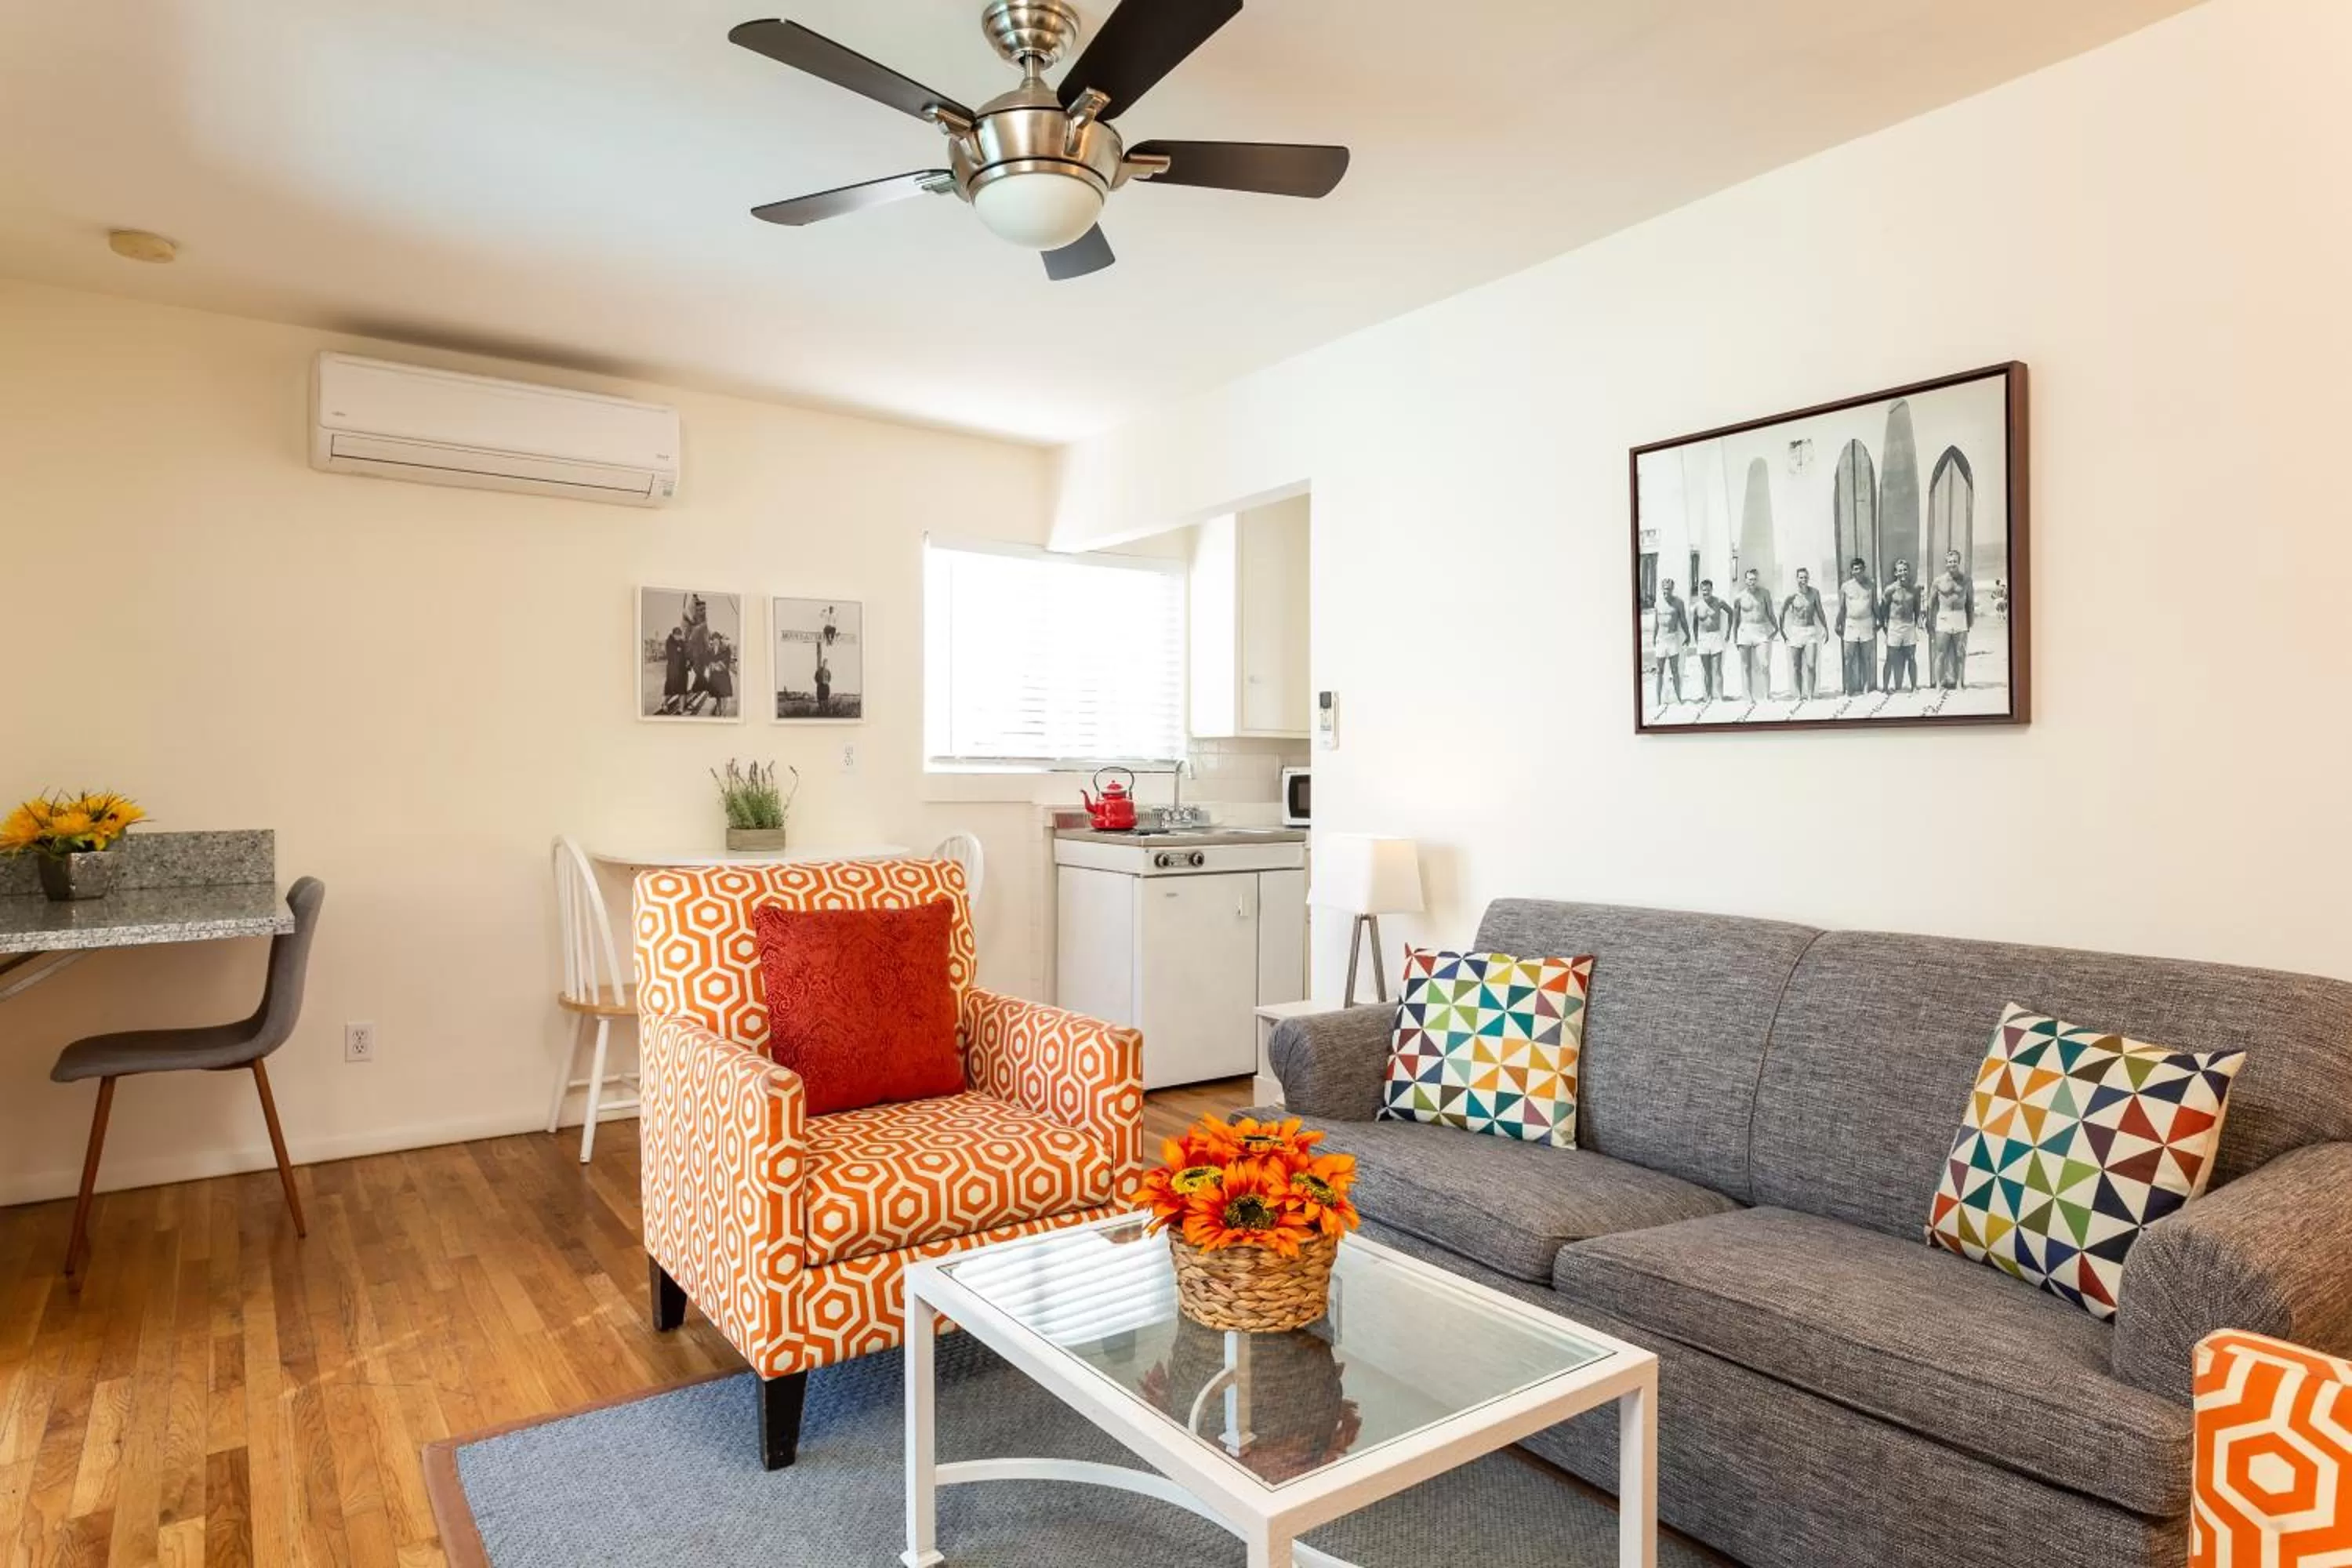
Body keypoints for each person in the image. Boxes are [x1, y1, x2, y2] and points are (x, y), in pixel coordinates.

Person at [1778, 568, 1828, 699]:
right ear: (1797, 579)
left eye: (1805, 577)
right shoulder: (1792, 596)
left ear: (1808, 578)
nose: (1803, 580)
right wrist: (1782, 631)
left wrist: (1826, 628)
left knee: (1811, 665)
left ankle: (1810, 695)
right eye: (1801, 577)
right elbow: (1782, 612)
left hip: (1810, 631)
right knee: (1796, 666)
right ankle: (1799, 695)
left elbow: (1820, 611)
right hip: (1796, 632)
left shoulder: (1814, 593)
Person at [1731, 567, 1780, 701]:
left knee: (1765, 664)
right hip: (1744, 631)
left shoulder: (1765, 593)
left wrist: (1776, 628)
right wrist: (1735, 637)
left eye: (1754, 579)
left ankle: (1767, 695)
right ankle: (1749, 696)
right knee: (1746, 667)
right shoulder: (1739, 597)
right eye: (1750, 579)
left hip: (1761, 630)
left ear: (1757, 580)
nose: (1752, 582)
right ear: (1745, 580)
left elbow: (1770, 612)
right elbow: (1736, 618)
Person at [1835, 557, 1880, 697]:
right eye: (1855, 569)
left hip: (1866, 623)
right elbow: (1842, 607)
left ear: (1864, 570)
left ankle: (1866, 687)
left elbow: (1875, 605)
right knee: (1848, 658)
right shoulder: (1846, 586)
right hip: (1851, 624)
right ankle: (1849, 689)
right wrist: (1837, 623)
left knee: (1866, 658)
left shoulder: (1870, 585)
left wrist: (1880, 620)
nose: (1858, 571)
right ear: (1851, 571)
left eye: (1860, 569)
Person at [1929, 550, 1973, 689]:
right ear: (1946, 563)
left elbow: (1970, 602)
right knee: (1940, 652)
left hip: (1960, 616)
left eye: (1954, 561)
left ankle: (1959, 682)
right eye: (1949, 562)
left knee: (1960, 652)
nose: (1952, 564)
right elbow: (1931, 603)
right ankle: (1938, 684)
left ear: (1959, 562)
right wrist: (1929, 621)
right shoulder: (1938, 581)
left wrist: (1971, 620)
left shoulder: (1966, 580)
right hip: (1944, 616)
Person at [1879, 558, 1925, 692]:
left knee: (1911, 657)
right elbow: (1883, 608)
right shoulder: (1890, 590)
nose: (1903, 573)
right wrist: (1885, 625)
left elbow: (1917, 608)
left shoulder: (1914, 589)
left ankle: (1914, 687)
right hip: (1895, 625)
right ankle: (1885, 688)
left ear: (1908, 571)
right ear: (1895, 573)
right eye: (1900, 571)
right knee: (1890, 657)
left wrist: (1918, 622)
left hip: (1909, 625)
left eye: (1905, 570)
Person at [1651, 579, 1691, 706]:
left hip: (1672, 639)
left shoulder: (1679, 603)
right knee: (1659, 671)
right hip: (1661, 639)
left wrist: (1688, 634)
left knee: (1675, 670)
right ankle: (1658, 700)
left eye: (1668, 588)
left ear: (1672, 589)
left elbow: (1683, 620)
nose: (1666, 591)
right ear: (1662, 589)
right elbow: (1656, 623)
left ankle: (1679, 698)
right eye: (1664, 588)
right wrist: (1653, 637)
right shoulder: (1658, 604)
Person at [1690, 580, 1732, 700]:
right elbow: (1694, 624)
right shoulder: (1697, 606)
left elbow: (1731, 612)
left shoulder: (1719, 602)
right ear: (1700, 591)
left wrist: (1728, 632)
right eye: (1704, 590)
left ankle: (1720, 697)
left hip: (1715, 636)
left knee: (1717, 669)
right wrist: (1696, 639)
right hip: (1703, 638)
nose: (1706, 592)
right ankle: (1708, 697)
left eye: (1708, 590)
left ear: (1712, 590)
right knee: (1706, 670)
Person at [659, 624, 690, 715]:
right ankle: (664, 703)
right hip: (673, 671)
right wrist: (680, 651)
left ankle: (681, 710)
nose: (678, 637)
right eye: (677, 635)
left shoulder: (683, 643)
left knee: (682, 691)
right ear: (673, 635)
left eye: (679, 635)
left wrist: (689, 662)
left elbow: (687, 655)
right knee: (671, 691)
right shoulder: (669, 643)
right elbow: (673, 656)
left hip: (682, 671)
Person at [813, 648, 832, 717]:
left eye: (826, 663)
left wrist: (826, 682)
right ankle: (821, 712)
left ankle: (826, 713)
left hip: (826, 687)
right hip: (820, 687)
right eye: (824, 663)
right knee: (820, 700)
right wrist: (819, 683)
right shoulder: (819, 671)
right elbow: (815, 677)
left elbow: (830, 678)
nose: (825, 665)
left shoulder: (828, 671)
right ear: (822, 663)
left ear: (827, 664)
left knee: (826, 700)